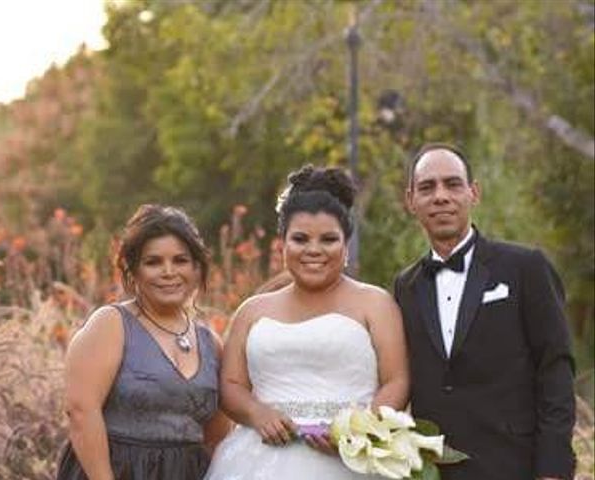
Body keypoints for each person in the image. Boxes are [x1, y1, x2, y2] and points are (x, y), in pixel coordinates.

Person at [205, 165, 410, 479]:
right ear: (282, 243)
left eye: (328, 239)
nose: (314, 250)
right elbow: (231, 386)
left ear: (346, 245)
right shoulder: (253, 310)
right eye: (300, 239)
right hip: (260, 461)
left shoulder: (376, 303)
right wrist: (256, 412)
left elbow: (396, 380)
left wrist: (358, 432)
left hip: (349, 461)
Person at [394, 144, 576, 480]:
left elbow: (556, 368)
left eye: (452, 184)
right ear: (411, 201)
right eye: (427, 187)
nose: (440, 196)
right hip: (436, 469)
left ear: (473, 192)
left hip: (515, 465)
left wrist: (554, 468)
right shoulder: (404, 286)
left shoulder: (525, 267)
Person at [57, 204, 229, 480]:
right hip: (118, 471)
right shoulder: (111, 325)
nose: (168, 271)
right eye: (153, 262)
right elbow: (81, 412)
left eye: (180, 260)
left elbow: (217, 434)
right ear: (133, 270)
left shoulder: (211, 343)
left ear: (197, 268)